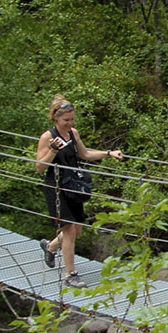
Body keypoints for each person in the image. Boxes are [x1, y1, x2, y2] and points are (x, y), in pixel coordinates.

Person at [35, 95, 124, 289]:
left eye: (72, 119)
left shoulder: (73, 133)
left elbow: (84, 154)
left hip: (73, 186)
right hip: (56, 187)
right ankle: (71, 274)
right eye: (66, 120)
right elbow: (40, 167)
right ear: (56, 119)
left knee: (77, 230)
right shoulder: (47, 137)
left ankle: (50, 247)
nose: (70, 123)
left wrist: (108, 154)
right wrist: (52, 150)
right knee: (69, 231)